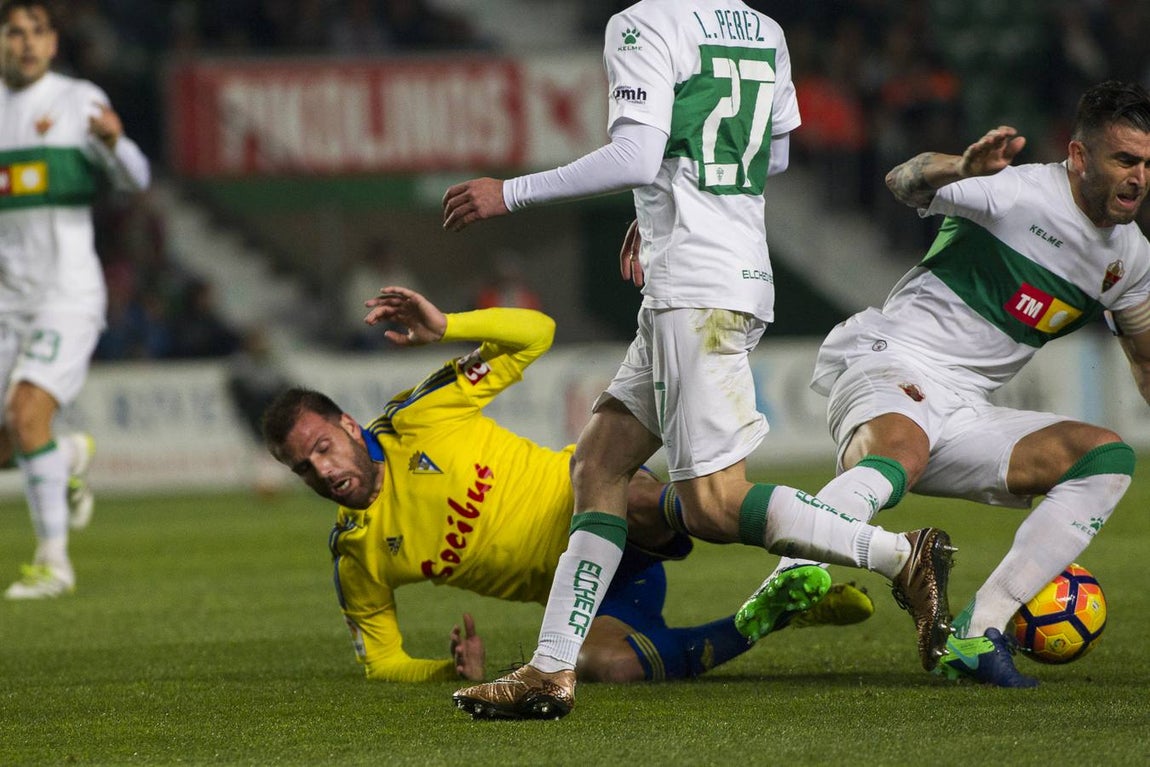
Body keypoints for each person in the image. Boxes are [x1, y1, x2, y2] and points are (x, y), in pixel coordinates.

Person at [443, 0, 955, 719]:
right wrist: (654, 206)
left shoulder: (643, 22)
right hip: (729, 270)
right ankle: (551, 667)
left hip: (695, 285)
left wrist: (510, 191)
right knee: (599, 463)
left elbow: (635, 155)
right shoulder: (766, 28)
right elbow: (769, 156)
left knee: (714, 501)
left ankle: (902, 555)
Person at [260, 287, 876, 684]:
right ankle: (771, 612)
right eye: (303, 468)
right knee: (606, 666)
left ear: (346, 424)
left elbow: (535, 332)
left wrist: (448, 322)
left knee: (652, 500)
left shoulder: (415, 420)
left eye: (322, 447)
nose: (322, 470)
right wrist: (446, 672)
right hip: (587, 592)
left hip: (604, 504)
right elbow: (384, 661)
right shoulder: (357, 553)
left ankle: (822, 536)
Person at [750, 80, 1150, 688]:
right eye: (1125, 159)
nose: (1139, 177)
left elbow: (1145, 359)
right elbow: (902, 181)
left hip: (966, 410)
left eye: (1147, 163)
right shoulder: (1017, 192)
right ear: (1078, 155)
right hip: (892, 360)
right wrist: (960, 167)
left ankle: (978, 633)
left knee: (1105, 459)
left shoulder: (1132, 260)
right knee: (899, 454)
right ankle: (789, 578)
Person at [0, 0, 150, 598]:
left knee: (27, 412)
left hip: (67, 292)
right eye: (14, 32)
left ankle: (53, 564)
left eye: (38, 32)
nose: (27, 42)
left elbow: (136, 178)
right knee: (14, 443)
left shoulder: (75, 101)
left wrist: (114, 143)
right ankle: (64, 457)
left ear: (53, 43)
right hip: (7, 302)